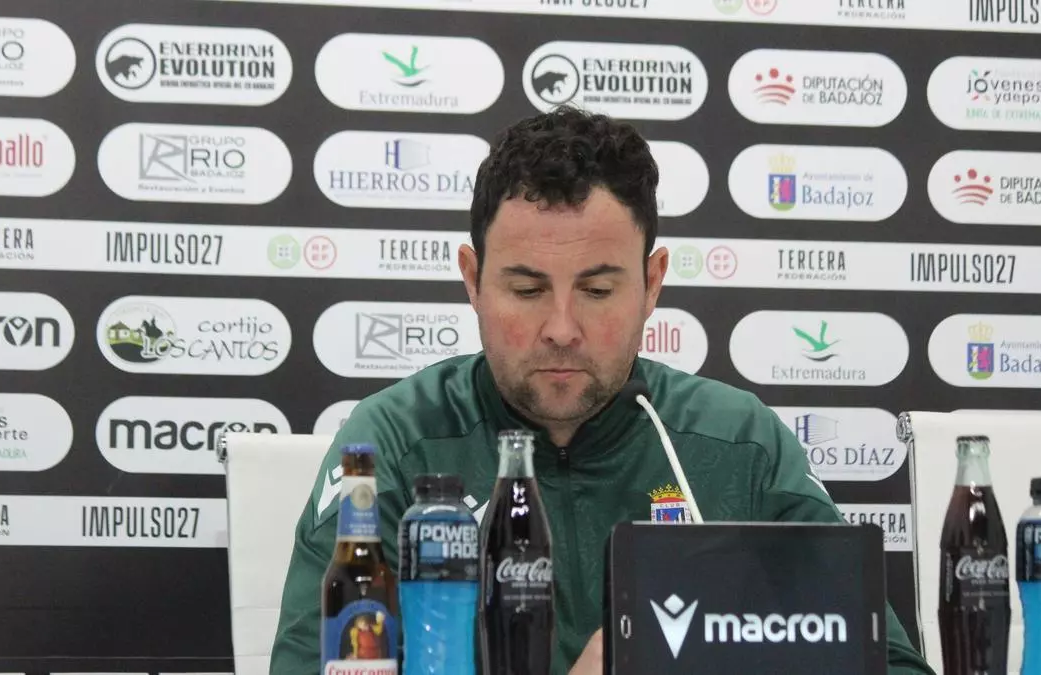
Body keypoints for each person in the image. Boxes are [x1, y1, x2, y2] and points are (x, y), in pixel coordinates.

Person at [270, 104, 936, 675]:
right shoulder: (391, 443)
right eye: (526, 289)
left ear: (652, 283)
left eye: (596, 289)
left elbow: (889, 661)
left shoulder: (740, 444)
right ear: (472, 280)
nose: (562, 328)